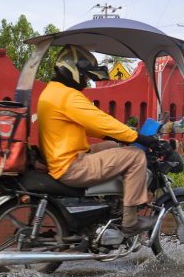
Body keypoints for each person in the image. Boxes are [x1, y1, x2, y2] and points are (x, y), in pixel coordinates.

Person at [37, 45, 160, 236]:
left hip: (63, 157)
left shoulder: (52, 91)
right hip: (70, 165)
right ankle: (130, 221)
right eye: (85, 76)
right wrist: (139, 138)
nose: (86, 82)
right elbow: (101, 121)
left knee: (114, 146)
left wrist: (118, 136)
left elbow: (91, 125)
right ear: (73, 71)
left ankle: (110, 205)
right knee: (135, 156)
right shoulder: (67, 96)